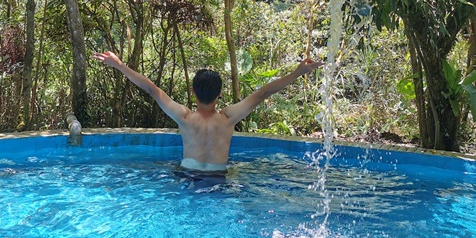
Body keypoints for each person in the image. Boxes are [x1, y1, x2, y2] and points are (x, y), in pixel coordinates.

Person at [91, 51, 322, 173]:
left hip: (187, 177)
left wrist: (120, 65)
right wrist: (298, 72)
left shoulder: (184, 117)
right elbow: (263, 93)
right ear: (220, 94)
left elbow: (151, 89)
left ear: (193, 92)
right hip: (219, 180)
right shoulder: (228, 118)